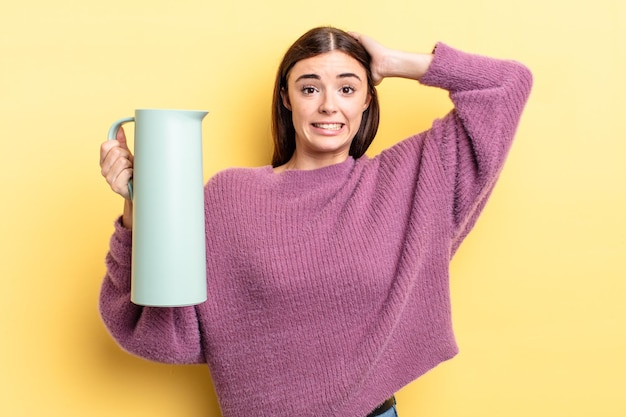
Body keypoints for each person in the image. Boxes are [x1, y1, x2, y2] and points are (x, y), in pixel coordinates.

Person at [99, 26, 532, 417]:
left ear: (368, 98)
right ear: (286, 98)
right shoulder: (230, 198)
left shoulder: (408, 181)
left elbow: (508, 84)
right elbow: (153, 329)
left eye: (347, 88)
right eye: (310, 89)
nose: (328, 105)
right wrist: (138, 207)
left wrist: (393, 63)